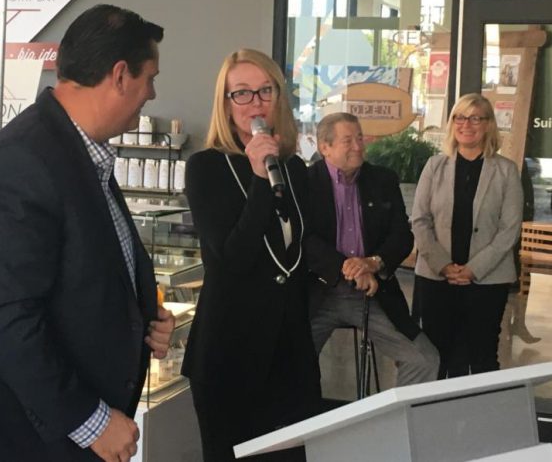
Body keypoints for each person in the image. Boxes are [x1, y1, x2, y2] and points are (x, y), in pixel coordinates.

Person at [0, 4, 175, 462]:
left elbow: (81, 276)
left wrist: (142, 321)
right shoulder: (21, 163)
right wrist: (92, 421)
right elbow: (6, 318)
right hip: (16, 441)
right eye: (150, 77)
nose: (153, 93)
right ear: (120, 75)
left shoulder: (79, 154)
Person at [183, 49, 322, 461]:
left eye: (265, 90)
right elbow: (231, 260)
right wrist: (260, 178)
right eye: (241, 93)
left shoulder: (294, 167)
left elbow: (299, 250)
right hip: (230, 352)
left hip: (289, 351)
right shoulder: (206, 168)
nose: (256, 103)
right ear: (225, 105)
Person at [304, 112, 439, 388]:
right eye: (348, 140)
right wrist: (349, 268)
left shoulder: (382, 180)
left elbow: (402, 236)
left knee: (424, 360)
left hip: (372, 291)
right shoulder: (306, 183)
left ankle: (396, 425)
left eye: (360, 138)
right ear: (325, 147)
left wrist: (372, 264)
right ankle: (301, 426)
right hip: (316, 292)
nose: (358, 146)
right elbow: (304, 238)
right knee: (289, 362)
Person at [412, 93, 522, 378]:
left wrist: (474, 269)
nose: (467, 124)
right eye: (460, 117)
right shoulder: (434, 166)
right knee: (438, 355)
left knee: (482, 356)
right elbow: (420, 221)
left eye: (476, 118)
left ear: (488, 125)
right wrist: (443, 265)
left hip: (487, 281)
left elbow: (509, 230)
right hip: (437, 278)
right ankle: (437, 418)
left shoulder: (506, 171)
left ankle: (480, 419)